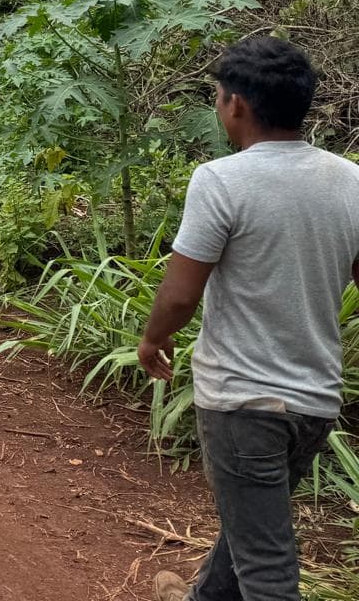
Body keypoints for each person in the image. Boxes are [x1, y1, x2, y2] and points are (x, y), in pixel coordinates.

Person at [139, 37, 359, 601]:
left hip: (243, 402)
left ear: (236, 104)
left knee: (267, 570)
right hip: (314, 402)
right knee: (252, 525)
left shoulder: (221, 180)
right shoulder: (351, 180)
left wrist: (152, 339)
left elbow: (180, 295)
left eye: (217, 96)